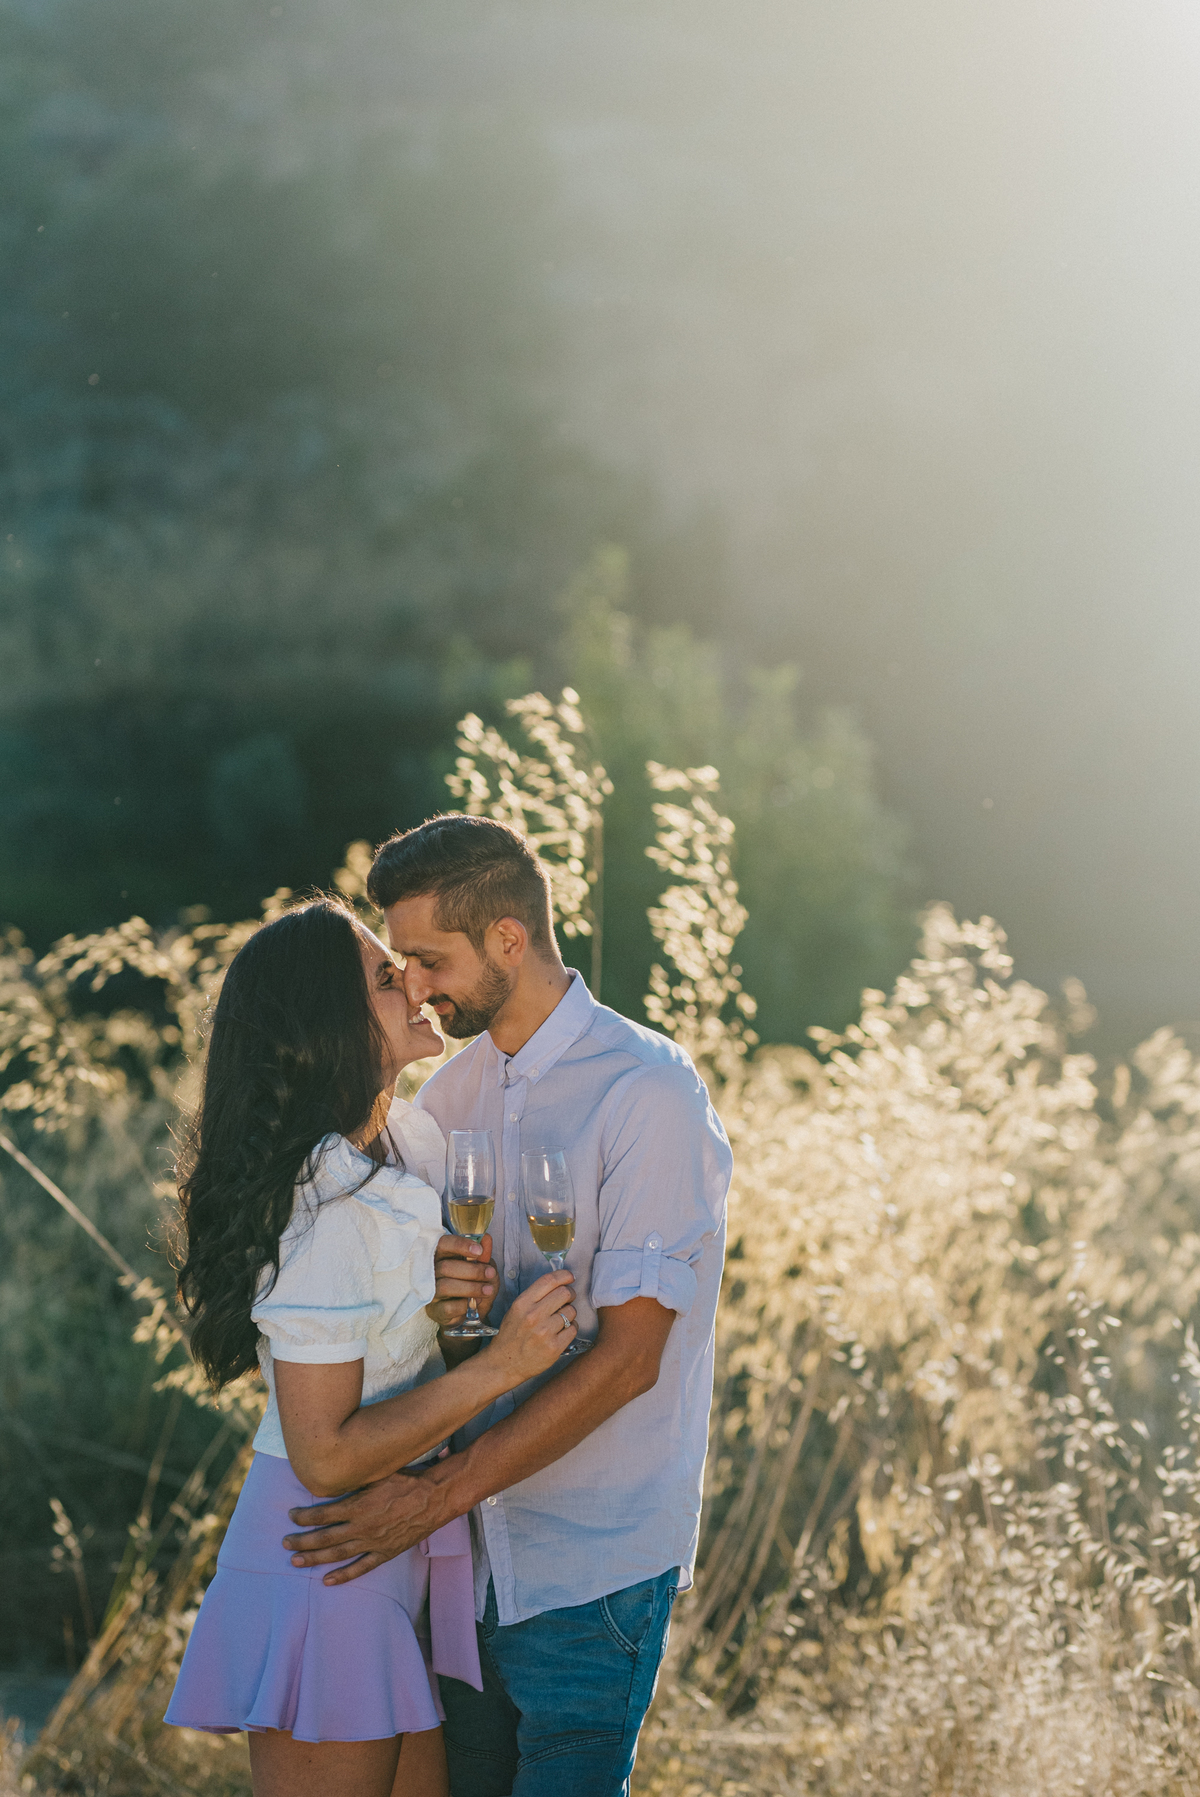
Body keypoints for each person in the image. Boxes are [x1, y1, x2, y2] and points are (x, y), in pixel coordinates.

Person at [283, 819, 734, 1797]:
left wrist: (435, 1494)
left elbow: (628, 1361)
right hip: (458, 1567)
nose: (414, 985)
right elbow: (424, 1336)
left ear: (508, 940)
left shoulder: (648, 1093)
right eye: (399, 962)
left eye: (429, 959)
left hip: (591, 1570)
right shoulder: (444, 1097)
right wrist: (441, 1313)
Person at [163, 897, 577, 1797]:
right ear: (332, 1027)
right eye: (387, 977)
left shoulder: (375, 1167)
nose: (414, 983)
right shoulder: (329, 1206)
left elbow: (364, 1350)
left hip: (372, 1553)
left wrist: (425, 1305)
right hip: (324, 1555)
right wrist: (504, 1364)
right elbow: (324, 1454)